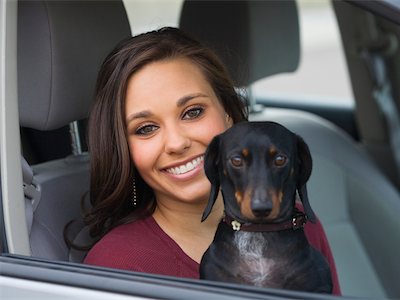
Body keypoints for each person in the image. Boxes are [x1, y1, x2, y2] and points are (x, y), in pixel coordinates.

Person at [82, 27, 341, 295]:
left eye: (193, 112)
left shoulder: (298, 225)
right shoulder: (118, 266)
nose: (177, 143)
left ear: (228, 113)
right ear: (125, 148)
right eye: (146, 128)